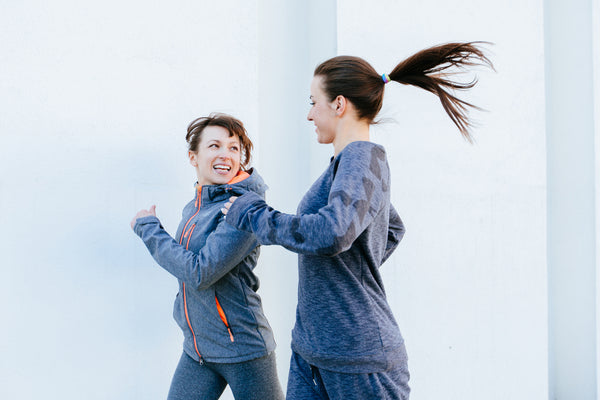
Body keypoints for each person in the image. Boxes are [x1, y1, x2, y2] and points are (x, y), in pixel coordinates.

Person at [222, 42, 493, 399]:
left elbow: (333, 233)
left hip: (358, 361)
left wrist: (253, 212)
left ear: (338, 104)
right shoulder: (347, 165)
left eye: (312, 102)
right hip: (312, 352)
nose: (309, 115)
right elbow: (392, 227)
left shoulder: (361, 160)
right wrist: (350, 274)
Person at [131, 113, 284, 400]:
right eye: (215, 146)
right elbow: (186, 261)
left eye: (234, 148)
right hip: (198, 349)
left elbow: (200, 272)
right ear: (194, 157)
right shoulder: (196, 205)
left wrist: (150, 229)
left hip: (244, 350)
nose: (226, 154)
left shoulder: (242, 209)